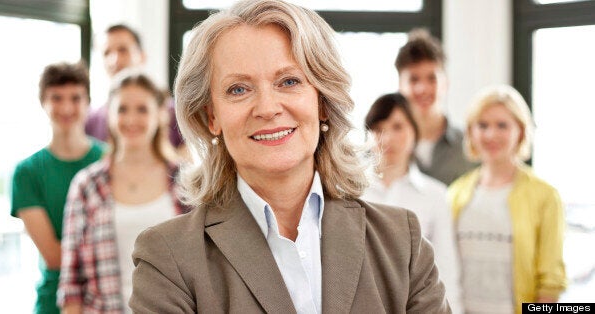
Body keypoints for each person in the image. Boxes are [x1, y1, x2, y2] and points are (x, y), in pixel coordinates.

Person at [130, 0, 450, 313]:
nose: (268, 108)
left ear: (322, 102)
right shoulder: (168, 259)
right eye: (239, 89)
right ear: (212, 117)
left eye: (289, 81)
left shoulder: (401, 242)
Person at [57, 74, 188, 313]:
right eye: (122, 109)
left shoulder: (187, 181)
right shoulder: (87, 185)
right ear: (109, 115)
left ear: (160, 114)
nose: (131, 119)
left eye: (142, 109)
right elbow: (71, 284)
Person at [448, 85, 567, 313]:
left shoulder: (545, 196)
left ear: (520, 131)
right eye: (482, 126)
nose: (491, 135)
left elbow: (551, 281)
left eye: (502, 125)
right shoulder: (455, 193)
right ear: (471, 132)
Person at [10, 62, 105, 314]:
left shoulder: (110, 161)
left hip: (109, 300)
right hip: (54, 300)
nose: (66, 107)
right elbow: (52, 255)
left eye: (75, 98)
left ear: (88, 102)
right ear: (43, 102)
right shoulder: (27, 172)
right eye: (56, 98)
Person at [362, 93, 462, 314]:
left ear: (414, 132)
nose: (387, 138)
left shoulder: (435, 195)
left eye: (398, 127)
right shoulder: (349, 191)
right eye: (378, 128)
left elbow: (446, 269)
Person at [85, 24, 187, 156]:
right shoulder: (91, 120)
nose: (114, 60)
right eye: (107, 53)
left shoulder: (175, 113)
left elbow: (185, 169)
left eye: (123, 50)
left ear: (142, 56)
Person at [395, 28, 476, 185]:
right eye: (413, 79)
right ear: (400, 85)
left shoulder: (470, 145)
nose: (422, 89)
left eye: (432, 79)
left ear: (446, 83)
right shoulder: (384, 146)